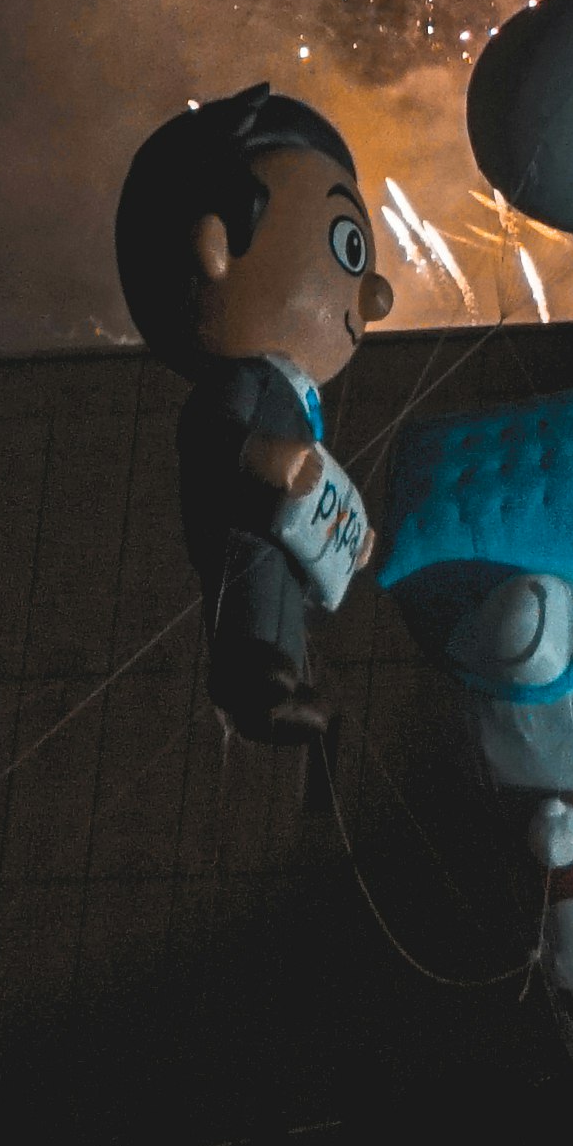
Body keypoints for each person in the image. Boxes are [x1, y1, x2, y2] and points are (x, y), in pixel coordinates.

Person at [113, 88, 393, 741]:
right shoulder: (243, 380)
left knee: (281, 599)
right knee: (253, 595)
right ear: (216, 247)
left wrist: (344, 531)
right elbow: (207, 433)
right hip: (242, 517)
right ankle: (253, 685)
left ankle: (284, 680)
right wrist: (263, 457)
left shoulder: (292, 392)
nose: (375, 294)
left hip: (282, 526)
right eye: (348, 250)